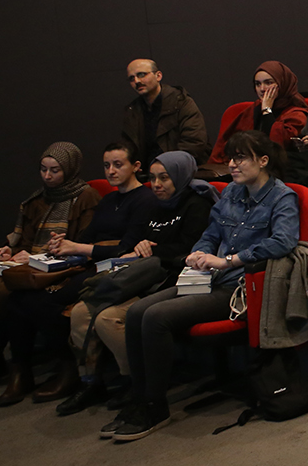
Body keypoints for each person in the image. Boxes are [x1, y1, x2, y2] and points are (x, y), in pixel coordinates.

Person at [107, 130, 300, 442]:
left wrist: (230, 260)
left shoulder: (282, 197)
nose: (232, 164)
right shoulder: (231, 194)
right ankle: (139, 397)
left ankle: (155, 407)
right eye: (231, 157)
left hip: (239, 288)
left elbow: (284, 241)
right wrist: (199, 251)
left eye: (241, 158)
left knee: (157, 317)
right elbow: (212, 232)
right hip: (209, 278)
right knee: (137, 312)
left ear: (263, 161)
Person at [0, 142, 155, 406]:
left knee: (46, 303)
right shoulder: (108, 200)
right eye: (107, 165)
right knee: (18, 301)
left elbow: (127, 247)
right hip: (89, 264)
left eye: (118, 164)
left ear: (136, 167)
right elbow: (88, 237)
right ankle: (22, 370)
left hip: (118, 267)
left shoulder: (145, 200)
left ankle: (71, 369)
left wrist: (79, 247)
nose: (111, 171)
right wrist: (60, 245)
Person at [59, 150, 216, 416]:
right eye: (153, 178)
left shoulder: (197, 205)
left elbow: (190, 252)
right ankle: (91, 381)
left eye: (164, 178)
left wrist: (154, 251)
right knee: (81, 312)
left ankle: (137, 383)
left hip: (168, 280)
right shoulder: (153, 205)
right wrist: (141, 249)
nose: (156, 185)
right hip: (139, 275)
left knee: (108, 319)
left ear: (179, 176)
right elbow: (136, 244)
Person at [0, 143, 102, 398]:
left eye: (55, 170)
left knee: (16, 297)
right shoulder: (36, 201)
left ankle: (22, 366)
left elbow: (85, 242)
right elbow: (23, 242)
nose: (48, 176)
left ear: (69, 169)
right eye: (43, 170)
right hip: (30, 266)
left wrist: (39, 255)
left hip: (64, 267)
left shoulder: (86, 196)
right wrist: (9, 254)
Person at [207, 61, 308, 170]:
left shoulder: (296, 113)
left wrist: (267, 111)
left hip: (278, 168)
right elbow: (231, 141)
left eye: (268, 83)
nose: (262, 89)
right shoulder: (255, 108)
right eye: (258, 84)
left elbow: (278, 145)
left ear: (282, 83)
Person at [121, 59, 210, 167]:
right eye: (131, 78)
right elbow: (128, 148)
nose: (137, 81)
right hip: (146, 174)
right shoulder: (132, 111)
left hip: (182, 171)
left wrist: (165, 167)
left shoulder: (180, 102)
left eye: (141, 75)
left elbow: (194, 142)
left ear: (158, 76)